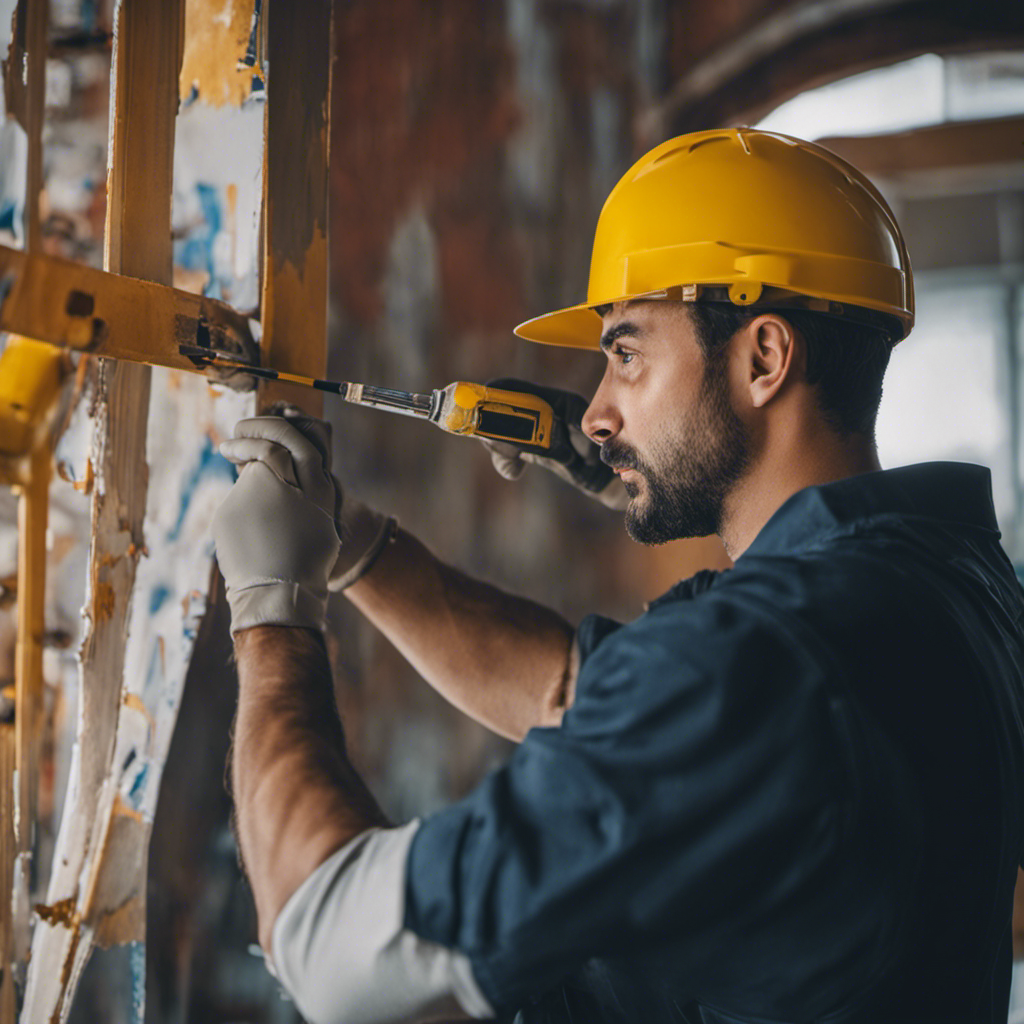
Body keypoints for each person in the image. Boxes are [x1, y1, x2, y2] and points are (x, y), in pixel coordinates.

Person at [212, 129, 1024, 1024]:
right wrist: (359, 549)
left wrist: (270, 612)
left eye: (626, 354)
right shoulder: (947, 578)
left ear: (764, 359)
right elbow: (578, 691)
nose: (595, 415)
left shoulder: (756, 664)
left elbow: (329, 951)